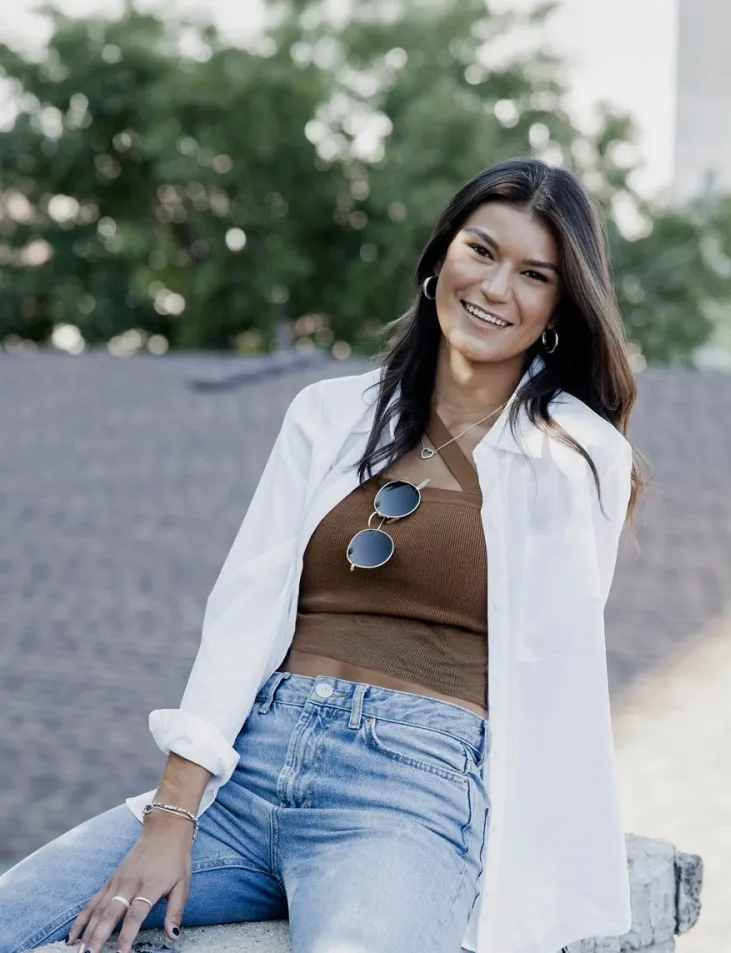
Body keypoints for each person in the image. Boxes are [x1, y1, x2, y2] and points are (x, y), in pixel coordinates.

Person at [0, 156, 644, 953]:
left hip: (413, 785)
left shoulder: (576, 455)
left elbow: (551, 673)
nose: (495, 287)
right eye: (482, 251)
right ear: (441, 256)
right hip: (251, 766)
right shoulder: (329, 414)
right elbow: (245, 610)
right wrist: (172, 814)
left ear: (557, 305)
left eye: (533, 273)